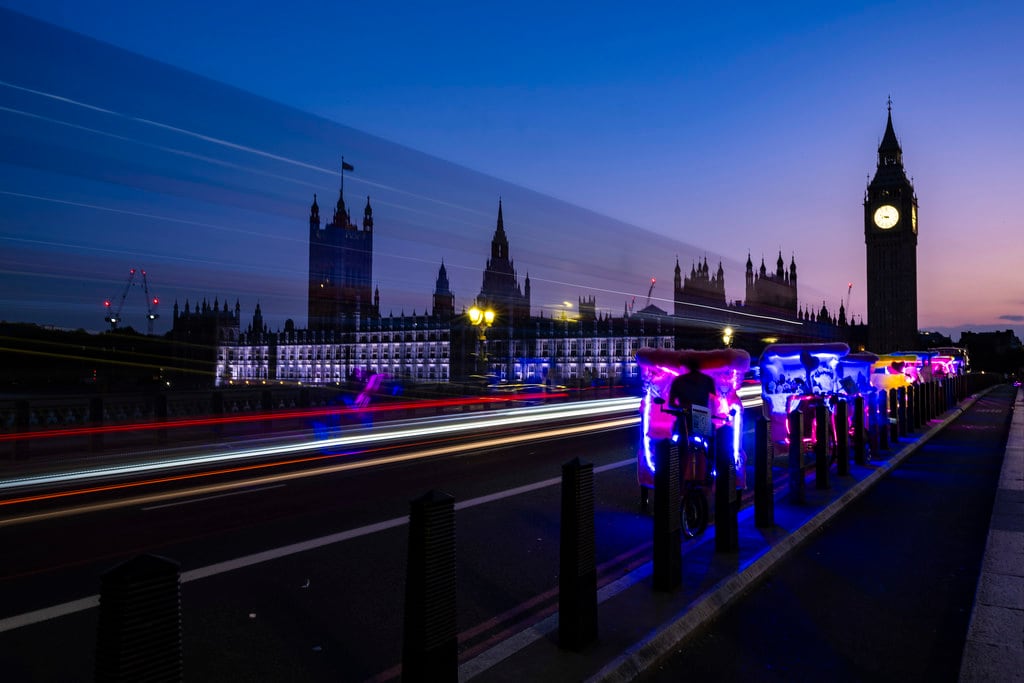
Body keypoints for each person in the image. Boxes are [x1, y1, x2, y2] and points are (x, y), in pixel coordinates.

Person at [667, 356, 717, 432]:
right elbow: (713, 400)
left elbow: (671, 404)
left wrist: (683, 410)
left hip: (684, 414)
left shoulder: (678, 380)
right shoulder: (707, 380)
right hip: (702, 413)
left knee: (681, 439)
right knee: (705, 440)